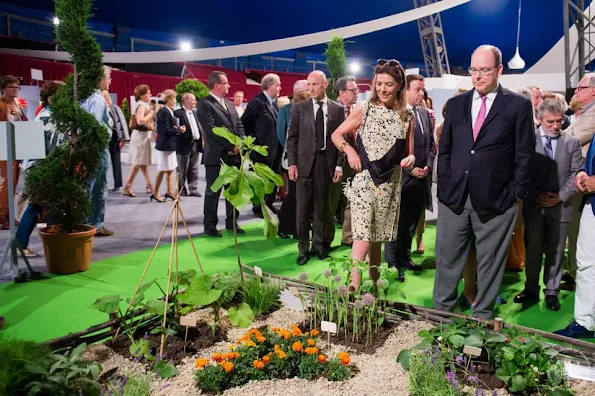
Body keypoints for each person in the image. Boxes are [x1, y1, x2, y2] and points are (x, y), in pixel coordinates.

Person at [433, 45, 535, 319]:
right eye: (473, 70)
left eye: (485, 70)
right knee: (446, 261)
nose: (477, 76)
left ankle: (483, 320)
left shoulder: (518, 105)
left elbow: (525, 155)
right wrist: (443, 184)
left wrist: (515, 193)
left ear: (499, 70)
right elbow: (445, 150)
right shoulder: (455, 105)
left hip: (497, 202)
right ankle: (440, 316)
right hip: (454, 198)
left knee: (490, 264)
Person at [331, 59, 415, 291]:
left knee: (376, 237)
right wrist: (349, 151)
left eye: (389, 84)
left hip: (390, 183)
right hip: (365, 180)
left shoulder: (407, 114)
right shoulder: (364, 109)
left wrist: (411, 159)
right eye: (379, 84)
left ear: (399, 85)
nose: (383, 89)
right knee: (363, 234)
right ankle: (352, 285)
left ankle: (375, 286)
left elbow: (410, 151)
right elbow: (337, 135)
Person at [513, 100, 582, 311]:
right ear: (540, 119)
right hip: (534, 206)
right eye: (550, 122)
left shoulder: (572, 142)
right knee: (532, 250)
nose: (555, 126)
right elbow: (520, 172)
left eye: (559, 121)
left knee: (557, 250)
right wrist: (535, 196)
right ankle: (531, 288)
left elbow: (576, 173)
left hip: (561, 207)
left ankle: (552, 291)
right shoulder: (526, 142)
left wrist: (559, 196)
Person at [287, 70, 345, 265]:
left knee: (322, 208)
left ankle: (319, 246)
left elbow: (340, 140)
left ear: (325, 84)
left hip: (325, 164)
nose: (310, 88)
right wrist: (292, 164)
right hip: (303, 164)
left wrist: (339, 165)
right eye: (309, 85)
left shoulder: (337, 109)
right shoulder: (299, 108)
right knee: (302, 210)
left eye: (315, 85)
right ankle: (303, 248)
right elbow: (292, 138)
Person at [384, 74, 434, 282]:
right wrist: (409, 171)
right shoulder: (395, 114)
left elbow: (431, 145)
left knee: (411, 222)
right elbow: (391, 151)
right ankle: (392, 264)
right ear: (405, 91)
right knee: (396, 223)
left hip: (420, 180)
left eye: (423, 90)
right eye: (418, 89)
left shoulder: (424, 113)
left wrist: (428, 166)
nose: (421, 94)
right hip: (401, 179)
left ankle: (405, 257)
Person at [16, 81, 65, 258]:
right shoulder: (48, 117)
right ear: (51, 98)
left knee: (45, 205)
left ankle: (52, 242)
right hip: (41, 167)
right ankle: (21, 243)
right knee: (37, 205)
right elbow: (47, 147)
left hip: (40, 166)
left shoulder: (48, 114)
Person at [197, 71, 245, 237]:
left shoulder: (230, 104)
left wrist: (240, 142)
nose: (229, 86)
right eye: (226, 83)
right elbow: (211, 130)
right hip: (216, 157)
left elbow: (239, 125)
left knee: (233, 191)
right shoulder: (205, 104)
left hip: (234, 156)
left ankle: (232, 222)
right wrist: (231, 145)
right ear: (217, 85)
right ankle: (210, 225)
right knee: (213, 192)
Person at [242, 73, 282, 217]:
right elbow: (244, 124)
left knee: (272, 179)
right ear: (270, 86)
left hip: (275, 150)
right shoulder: (257, 103)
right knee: (260, 182)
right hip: (261, 152)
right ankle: (258, 207)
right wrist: (253, 144)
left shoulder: (273, 104)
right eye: (278, 85)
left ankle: (268, 204)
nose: (280, 88)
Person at [81, 66, 114, 237]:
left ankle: (90, 222)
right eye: (108, 77)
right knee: (99, 187)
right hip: (98, 148)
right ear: (100, 78)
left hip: (89, 148)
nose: (110, 81)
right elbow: (94, 126)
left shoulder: (87, 97)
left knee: (90, 186)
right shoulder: (98, 99)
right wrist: (108, 132)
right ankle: (95, 224)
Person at [152, 89, 185, 202]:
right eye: (174, 98)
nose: (175, 100)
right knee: (162, 169)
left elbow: (171, 127)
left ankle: (169, 191)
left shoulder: (169, 111)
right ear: (169, 100)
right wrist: (179, 130)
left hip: (170, 145)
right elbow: (164, 130)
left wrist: (177, 129)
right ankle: (155, 192)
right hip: (164, 145)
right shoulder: (163, 112)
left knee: (170, 168)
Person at [123, 85, 155, 197]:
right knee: (137, 162)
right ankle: (127, 186)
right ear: (141, 95)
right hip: (140, 136)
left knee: (143, 162)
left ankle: (149, 185)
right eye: (147, 93)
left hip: (143, 136)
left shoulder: (144, 105)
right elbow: (140, 121)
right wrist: (150, 114)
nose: (150, 94)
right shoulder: (141, 106)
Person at [174, 92, 203, 197]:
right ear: (185, 100)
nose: (195, 101)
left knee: (194, 168)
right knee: (182, 169)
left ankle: (193, 189)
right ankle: (181, 189)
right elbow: (176, 129)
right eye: (193, 99)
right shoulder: (177, 113)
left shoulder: (195, 114)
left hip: (195, 144)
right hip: (183, 145)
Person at [102, 90, 129, 193]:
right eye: (103, 95)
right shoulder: (100, 107)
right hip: (104, 136)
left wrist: (123, 138)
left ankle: (117, 184)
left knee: (116, 161)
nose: (105, 97)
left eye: (106, 95)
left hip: (114, 136)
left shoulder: (115, 107)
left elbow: (122, 122)